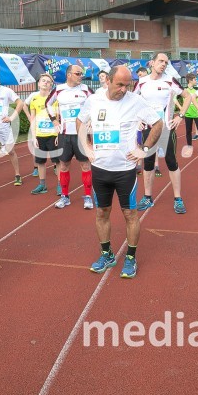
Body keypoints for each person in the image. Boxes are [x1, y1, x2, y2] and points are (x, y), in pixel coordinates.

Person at [77, 66, 162, 278]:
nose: (124, 89)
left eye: (128, 85)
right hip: (100, 169)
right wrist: (86, 146)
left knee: (130, 214)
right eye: (120, 85)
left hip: (125, 170)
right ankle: (106, 254)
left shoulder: (135, 101)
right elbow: (80, 120)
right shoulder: (94, 100)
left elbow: (158, 123)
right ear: (108, 81)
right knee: (101, 212)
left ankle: (131, 258)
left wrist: (143, 150)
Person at [134, 52, 190, 214]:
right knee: (149, 163)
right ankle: (147, 197)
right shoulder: (142, 82)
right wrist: (138, 118)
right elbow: (132, 100)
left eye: (166, 62)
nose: (163, 64)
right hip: (148, 129)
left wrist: (180, 115)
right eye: (161, 61)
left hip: (166, 129)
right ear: (152, 63)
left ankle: (178, 199)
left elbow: (187, 96)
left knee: (172, 162)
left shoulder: (169, 81)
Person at [47, 64, 94, 209]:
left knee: (85, 165)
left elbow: (97, 104)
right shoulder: (59, 89)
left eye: (82, 74)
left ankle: (88, 197)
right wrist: (54, 120)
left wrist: (92, 120)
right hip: (65, 135)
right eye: (78, 73)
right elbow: (47, 103)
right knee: (64, 165)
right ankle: (65, 196)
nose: (81, 76)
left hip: (81, 135)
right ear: (69, 75)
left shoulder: (86, 90)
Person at [24, 73, 60, 195]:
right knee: (40, 162)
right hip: (40, 135)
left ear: (51, 86)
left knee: (57, 161)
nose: (45, 82)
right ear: (38, 84)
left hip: (53, 135)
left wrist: (58, 134)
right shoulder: (34, 99)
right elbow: (33, 119)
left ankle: (61, 184)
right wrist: (34, 137)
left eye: (48, 81)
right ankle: (42, 185)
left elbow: (59, 117)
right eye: (43, 80)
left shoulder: (55, 99)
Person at [181, 73, 198, 156]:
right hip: (188, 115)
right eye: (195, 79)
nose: (197, 80)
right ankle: (189, 148)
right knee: (188, 132)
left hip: (197, 114)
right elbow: (174, 99)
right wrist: (182, 109)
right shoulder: (184, 90)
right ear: (190, 80)